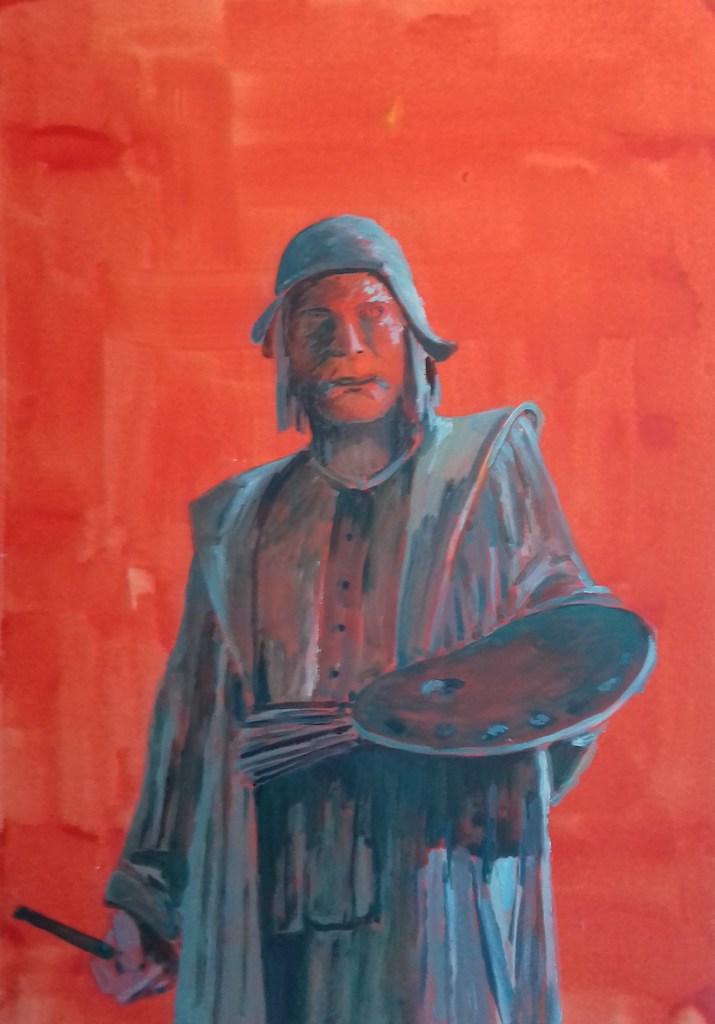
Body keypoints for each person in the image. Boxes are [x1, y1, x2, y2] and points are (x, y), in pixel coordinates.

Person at [93, 216, 622, 1023]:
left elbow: (572, 652)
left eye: (374, 317)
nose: (347, 346)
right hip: (275, 886)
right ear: (285, 354)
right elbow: (192, 720)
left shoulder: (487, 470)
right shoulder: (238, 522)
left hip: (438, 875)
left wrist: (425, 728)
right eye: (316, 324)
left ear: (414, 340)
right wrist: (147, 900)